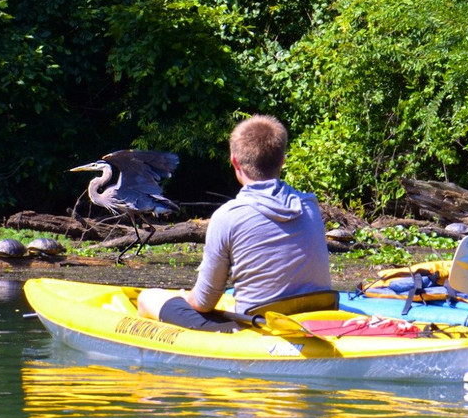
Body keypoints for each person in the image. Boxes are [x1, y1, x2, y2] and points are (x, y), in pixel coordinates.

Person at [137, 115, 331, 331]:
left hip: (258, 329)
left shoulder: (227, 216)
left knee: (148, 297)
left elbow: (203, 303)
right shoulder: (309, 204)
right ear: (282, 161)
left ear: (235, 161)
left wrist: (185, 298)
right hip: (318, 317)